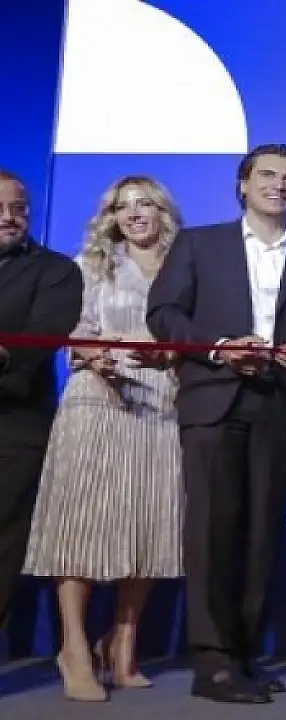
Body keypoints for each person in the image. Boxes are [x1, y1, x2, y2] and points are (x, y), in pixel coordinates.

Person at [147, 144, 286, 704]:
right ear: (243, 184)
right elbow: (163, 313)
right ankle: (211, 662)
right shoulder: (198, 243)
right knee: (213, 531)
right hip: (214, 399)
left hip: (283, 403)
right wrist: (220, 348)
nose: (278, 185)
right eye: (267, 175)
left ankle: (242, 654)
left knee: (262, 534)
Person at [23, 176, 184, 702]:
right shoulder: (92, 264)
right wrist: (95, 356)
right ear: (111, 218)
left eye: (144, 203)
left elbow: (198, 334)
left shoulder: (187, 266)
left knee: (150, 527)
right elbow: (72, 329)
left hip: (161, 405)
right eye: (121, 206)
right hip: (97, 400)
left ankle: (122, 643)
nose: (133, 213)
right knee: (81, 527)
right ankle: (73, 648)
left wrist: (168, 353)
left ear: (163, 210)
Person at [0, 170, 84, 641]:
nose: (9, 217)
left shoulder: (56, 271)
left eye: (19, 209)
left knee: (3, 542)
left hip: (15, 426)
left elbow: (41, 337)